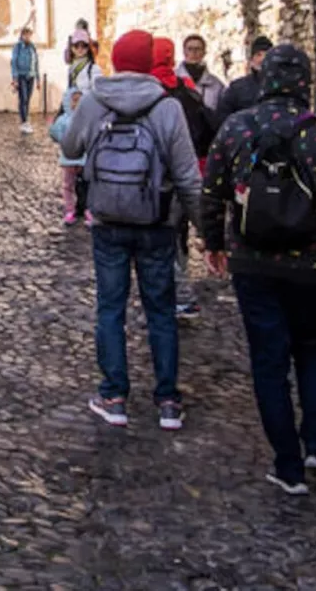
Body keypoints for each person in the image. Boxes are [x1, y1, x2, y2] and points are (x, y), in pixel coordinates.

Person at [200, 44, 316, 496]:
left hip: (254, 262)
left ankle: (287, 465)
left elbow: (212, 193)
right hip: (315, 264)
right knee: (313, 350)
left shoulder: (235, 129)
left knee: (269, 362)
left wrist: (213, 243)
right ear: (306, 82)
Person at [62, 30, 201, 433]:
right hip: (157, 221)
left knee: (110, 307)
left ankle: (114, 395)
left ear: (118, 61)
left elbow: (71, 148)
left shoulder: (95, 100)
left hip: (107, 221)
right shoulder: (167, 106)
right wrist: (207, 231)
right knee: (160, 310)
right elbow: (188, 176)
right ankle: (168, 401)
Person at [153, 37, 212, 319]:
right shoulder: (187, 90)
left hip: (159, 177)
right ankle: (179, 287)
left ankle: (178, 295)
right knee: (178, 233)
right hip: (188, 169)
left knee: (165, 238)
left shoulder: (150, 91)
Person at [48, 89, 87, 226]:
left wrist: (52, 128)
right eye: (75, 100)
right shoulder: (85, 120)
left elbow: (55, 135)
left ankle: (72, 211)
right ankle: (80, 211)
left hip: (71, 160)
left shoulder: (63, 120)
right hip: (81, 161)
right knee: (76, 186)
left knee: (69, 187)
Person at [216, 35, 273, 124]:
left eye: (267, 55)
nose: (262, 59)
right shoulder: (237, 88)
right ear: (252, 59)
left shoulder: (283, 86)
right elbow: (223, 117)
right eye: (258, 55)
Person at [179, 34, 227, 112]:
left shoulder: (216, 85)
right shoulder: (173, 81)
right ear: (184, 52)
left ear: (204, 52)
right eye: (190, 49)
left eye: (198, 49)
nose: (194, 52)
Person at [11, 26, 40, 133]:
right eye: (26, 35)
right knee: (23, 99)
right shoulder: (17, 47)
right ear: (22, 35)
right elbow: (13, 63)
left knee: (27, 99)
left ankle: (25, 120)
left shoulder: (32, 46)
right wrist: (15, 79)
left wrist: (38, 79)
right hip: (21, 76)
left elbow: (36, 63)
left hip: (31, 76)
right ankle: (24, 122)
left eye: (29, 35)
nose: (28, 37)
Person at [67, 28, 101, 95]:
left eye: (84, 46)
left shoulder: (93, 68)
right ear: (72, 47)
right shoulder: (71, 68)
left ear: (88, 48)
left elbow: (97, 91)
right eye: (76, 45)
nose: (80, 49)